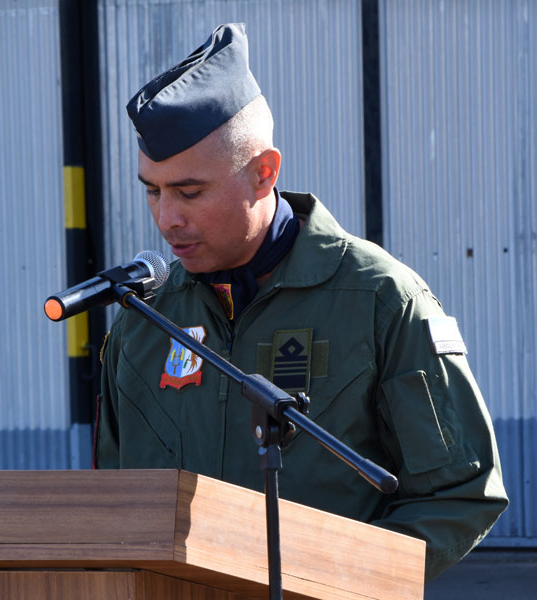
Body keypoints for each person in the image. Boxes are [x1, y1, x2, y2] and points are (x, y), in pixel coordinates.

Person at [94, 23, 508, 581]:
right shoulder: (145, 320)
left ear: (263, 173)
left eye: (189, 192)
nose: (167, 218)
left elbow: (460, 492)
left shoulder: (378, 298)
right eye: (152, 189)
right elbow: (113, 505)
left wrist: (341, 581)